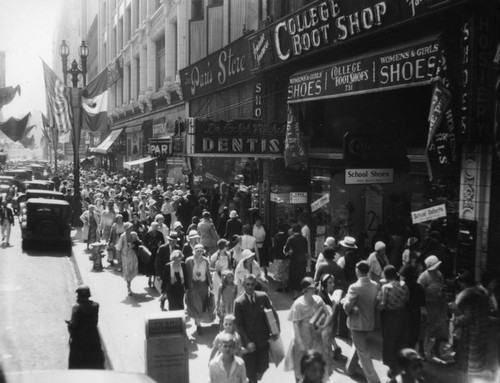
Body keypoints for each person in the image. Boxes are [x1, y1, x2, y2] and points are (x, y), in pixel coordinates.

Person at [234, 274, 280, 383]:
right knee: (251, 372)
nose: (250, 287)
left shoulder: (263, 297)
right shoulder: (239, 302)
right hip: (249, 343)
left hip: (263, 341)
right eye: (247, 284)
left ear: (255, 284)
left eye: (252, 284)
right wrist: (247, 342)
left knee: (263, 367)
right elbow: (239, 325)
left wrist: (276, 333)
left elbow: (273, 314)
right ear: (243, 285)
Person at [285, 277, 331, 382]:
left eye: (314, 286)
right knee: (301, 366)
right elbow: (295, 323)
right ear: (305, 290)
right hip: (303, 338)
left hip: (316, 338)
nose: (314, 289)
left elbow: (328, 314)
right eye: (311, 287)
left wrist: (323, 326)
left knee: (317, 365)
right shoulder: (298, 304)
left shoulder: (319, 300)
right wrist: (299, 342)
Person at [341, 260, 380, 383]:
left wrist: (344, 301)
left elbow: (348, 306)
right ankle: (350, 369)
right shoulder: (375, 285)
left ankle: (373, 379)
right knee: (358, 345)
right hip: (369, 322)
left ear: (357, 271)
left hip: (357, 323)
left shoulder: (354, 287)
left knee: (362, 351)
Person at [451, 271, 490, 380]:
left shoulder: (467, 297)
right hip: (482, 330)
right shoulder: (482, 293)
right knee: (479, 361)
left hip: (471, 334)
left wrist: (455, 320)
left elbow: (467, 318)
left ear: (463, 283)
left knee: (470, 365)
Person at [377, 265, 409, 376]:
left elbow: (381, 305)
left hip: (390, 317)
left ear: (386, 276)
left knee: (390, 342)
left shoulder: (386, 287)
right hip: (403, 316)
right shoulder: (404, 285)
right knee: (400, 340)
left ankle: (392, 368)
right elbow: (407, 299)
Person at [417, 255, 449, 360]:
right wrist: (422, 308)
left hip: (439, 306)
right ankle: (421, 350)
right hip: (427, 306)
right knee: (424, 330)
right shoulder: (423, 277)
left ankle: (435, 348)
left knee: (441, 328)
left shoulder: (440, 275)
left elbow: (442, 287)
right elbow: (419, 293)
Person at [66, 285, 105, 369]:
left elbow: (73, 325)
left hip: (79, 341)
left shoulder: (76, 308)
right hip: (93, 338)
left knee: (76, 363)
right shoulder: (96, 306)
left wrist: (69, 325)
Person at [185, 243, 213, 334]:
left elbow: (208, 272)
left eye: (201, 251)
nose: (199, 253)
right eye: (197, 251)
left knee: (202, 304)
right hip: (193, 285)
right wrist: (186, 286)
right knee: (196, 304)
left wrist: (211, 284)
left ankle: (198, 320)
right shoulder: (189, 261)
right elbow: (186, 274)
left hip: (204, 284)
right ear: (194, 252)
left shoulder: (205, 260)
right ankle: (198, 324)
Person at [317, 273, 345, 364]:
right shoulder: (322, 296)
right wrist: (335, 303)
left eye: (333, 282)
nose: (333, 284)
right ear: (325, 284)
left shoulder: (326, 293)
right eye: (330, 283)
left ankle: (336, 349)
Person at [399, 264, 426, 352]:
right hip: (415, 315)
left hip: (402, 314)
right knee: (412, 338)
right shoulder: (419, 287)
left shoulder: (401, 287)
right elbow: (422, 303)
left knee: (402, 338)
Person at [284, 224, 310, 298]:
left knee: (294, 276)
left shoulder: (290, 238)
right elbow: (306, 251)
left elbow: (286, 249)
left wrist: (288, 251)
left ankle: (295, 293)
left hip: (294, 259)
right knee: (301, 275)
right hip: (302, 260)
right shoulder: (304, 239)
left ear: (293, 230)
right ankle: (302, 292)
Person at [115, 223, 139, 295]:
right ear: (126, 229)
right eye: (129, 228)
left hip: (133, 255)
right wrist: (118, 258)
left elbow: (138, 242)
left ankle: (129, 283)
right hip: (125, 256)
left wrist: (135, 245)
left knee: (133, 270)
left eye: (131, 228)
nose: (130, 229)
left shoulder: (134, 234)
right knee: (127, 271)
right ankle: (128, 287)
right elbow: (118, 247)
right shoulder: (122, 236)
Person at [210, 239, 235, 307]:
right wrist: (216, 269)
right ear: (223, 246)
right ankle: (218, 309)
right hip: (217, 277)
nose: (227, 247)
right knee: (217, 294)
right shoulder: (215, 256)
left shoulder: (228, 254)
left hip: (226, 277)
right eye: (226, 245)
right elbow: (210, 268)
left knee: (227, 293)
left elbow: (230, 266)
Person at [143, 221, 166, 287]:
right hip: (150, 253)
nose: (155, 230)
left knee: (156, 266)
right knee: (150, 266)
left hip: (157, 253)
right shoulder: (148, 234)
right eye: (154, 228)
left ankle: (154, 281)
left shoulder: (160, 234)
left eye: (156, 228)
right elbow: (145, 243)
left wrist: (160, 245)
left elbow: (163, 243)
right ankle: (150, 278)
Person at [271, 224, 290, 293]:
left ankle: (281, 287)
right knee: (286, 272)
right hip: (286, 257)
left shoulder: (277, 237)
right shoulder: (288, 236)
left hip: (278, 256)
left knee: (279, 273)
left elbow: (274, 247)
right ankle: (286, 286)